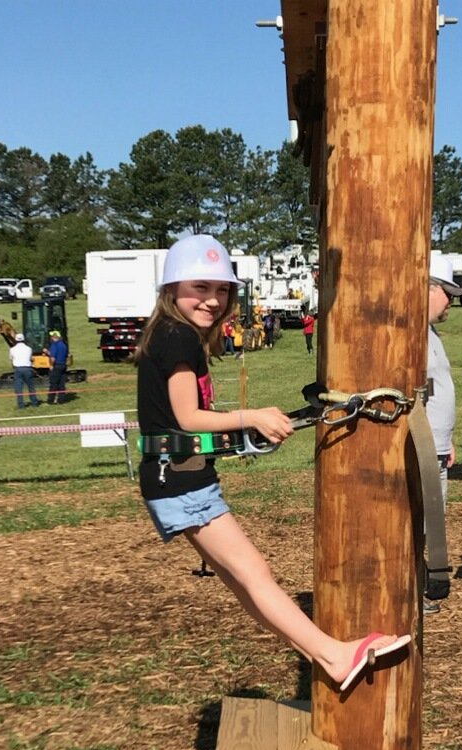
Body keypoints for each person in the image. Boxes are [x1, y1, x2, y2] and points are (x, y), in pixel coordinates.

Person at [135, 234, 410, 692]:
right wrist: (253, 417)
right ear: (172, 289)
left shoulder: (170, 334)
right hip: (181, 481)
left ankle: (321, 655)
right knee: (254, 574)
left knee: (244, 584)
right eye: (200, 288)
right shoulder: (178, 336)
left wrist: (245, 429)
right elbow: (186, 417)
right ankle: (336, 656)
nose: (212, 300)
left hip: (174, 477)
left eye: (221, 290)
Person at [423, 253, 462, 613]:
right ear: (428, 288)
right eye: (446, 291)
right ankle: (410, 591)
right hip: (420, 447)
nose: (451, 300)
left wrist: (446, 439)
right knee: (417, 521)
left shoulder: (430, 332)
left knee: (427, 522)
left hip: (434, 446)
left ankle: (417, 584)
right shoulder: (409, 334)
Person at [9, 332, 40, 409]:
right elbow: (30, 358)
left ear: (16, 340)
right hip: (27, 368)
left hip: (18, 369)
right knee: (31, 386)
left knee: (19, 388)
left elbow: (11, 359)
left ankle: (21, 404)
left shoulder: (12, 349)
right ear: (24, 340)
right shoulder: (29, 349)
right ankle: (34, 402)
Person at [46, 329, 69, 405]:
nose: (51, 338)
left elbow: (53, 357)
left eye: (52, 336)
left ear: (54, 337)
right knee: (61, 384)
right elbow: (65, 356)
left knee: (53, 383)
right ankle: (61, 399)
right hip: (63, 365)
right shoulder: (63, 345)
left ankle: (51, 400)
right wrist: (48, 352)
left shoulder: (54, 345)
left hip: (56, 366)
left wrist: (51, 365)